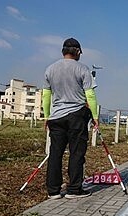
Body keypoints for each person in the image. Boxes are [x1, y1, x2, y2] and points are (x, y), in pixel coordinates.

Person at [42, 37, 99, 199]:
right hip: (76, 116)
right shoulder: (83, 69)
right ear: (78, 52)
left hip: (56, 117)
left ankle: (53, 191)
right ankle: (74, 189)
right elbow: (90, 95)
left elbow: (46, 96)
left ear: (63, 51)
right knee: (76, 152)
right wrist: (95, 116)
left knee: (55, 153)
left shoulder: (50, 69)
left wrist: (47, 116)